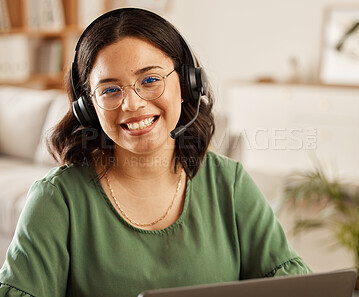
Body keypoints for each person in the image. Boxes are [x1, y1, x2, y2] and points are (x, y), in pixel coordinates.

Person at [0, 8, 311, 297]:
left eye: (149, 80)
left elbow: (292, 284)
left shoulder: (229, 184)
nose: (132, 104)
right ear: (87, 108)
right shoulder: (57, 201)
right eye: (110, 89)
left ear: (188, 83)